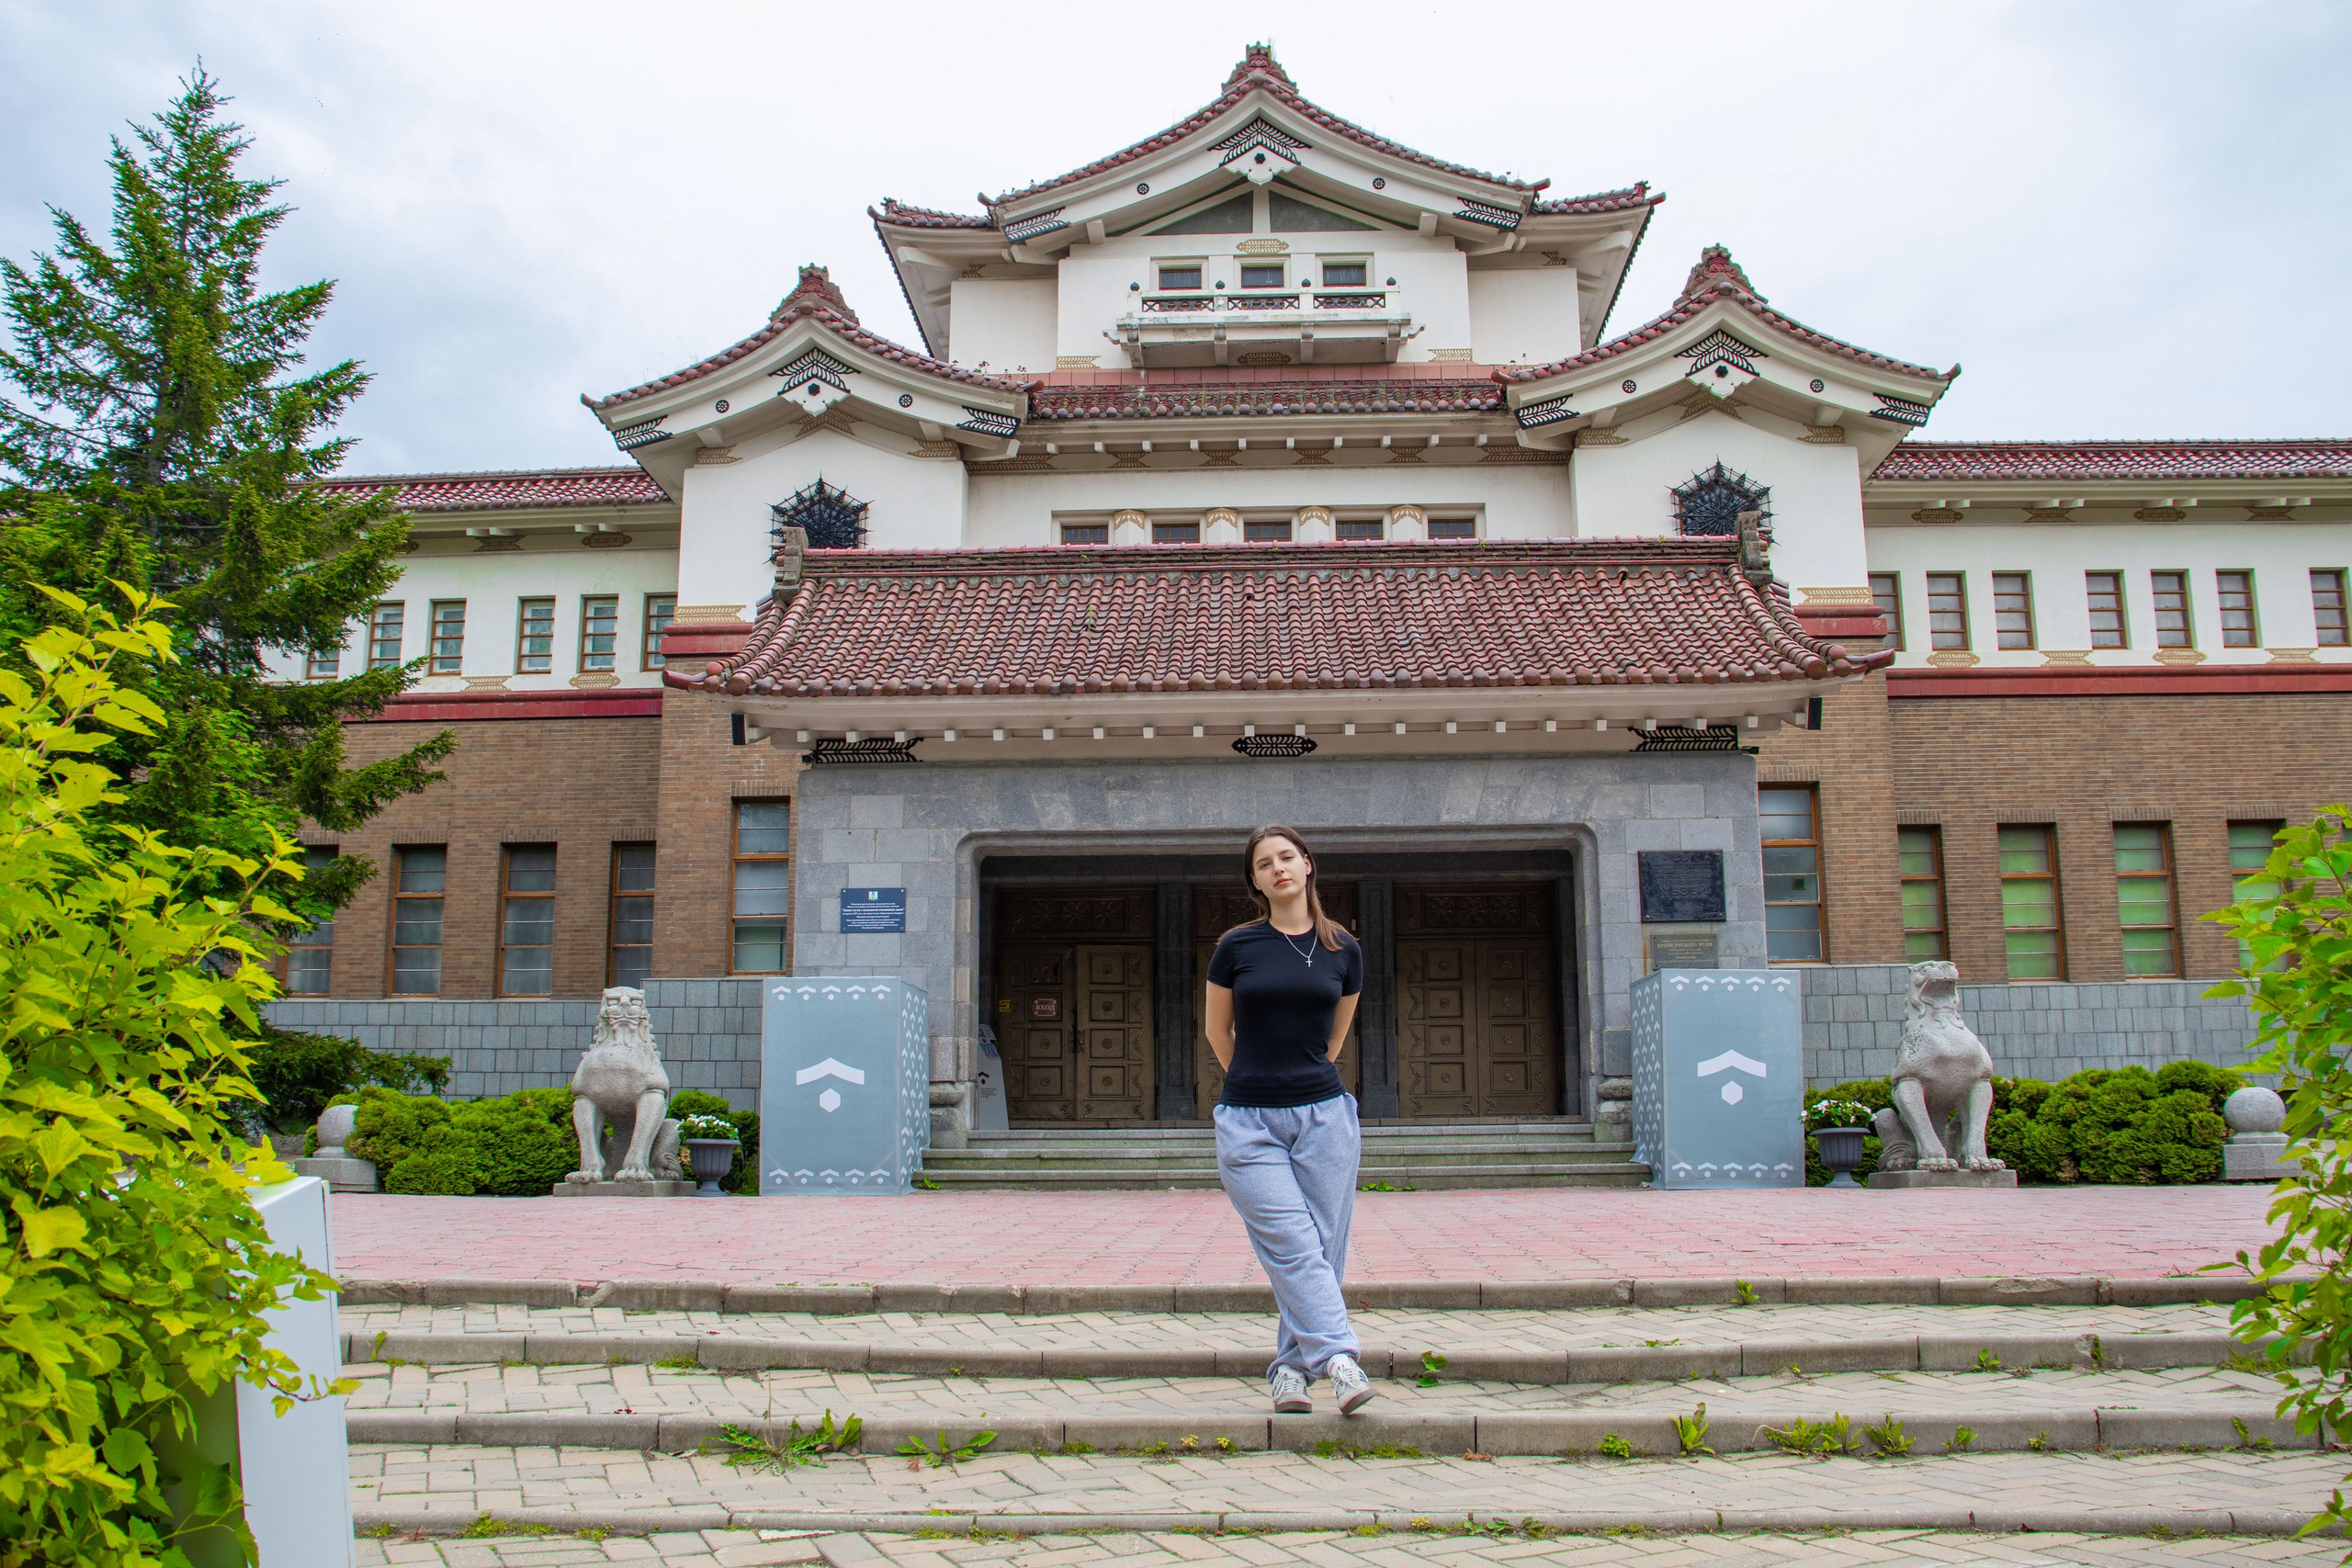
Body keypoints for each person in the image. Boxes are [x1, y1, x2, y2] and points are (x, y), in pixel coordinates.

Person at [1204, 824, 1373, 1416]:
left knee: (1322, 1248)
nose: (1277, 868)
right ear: (1254, 880)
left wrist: (1302, 1082)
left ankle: (1290, 1372)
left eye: (1286, 857)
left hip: (1325, 1116)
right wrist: (1252, 1080)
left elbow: (1335, 1038)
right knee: (1293, 1243)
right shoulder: (1237, 946)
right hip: (1249, 1121)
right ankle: (1340, 1358)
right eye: (1263, 863)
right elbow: (1216, 1030)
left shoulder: (1344, 949)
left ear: (1307, 865)